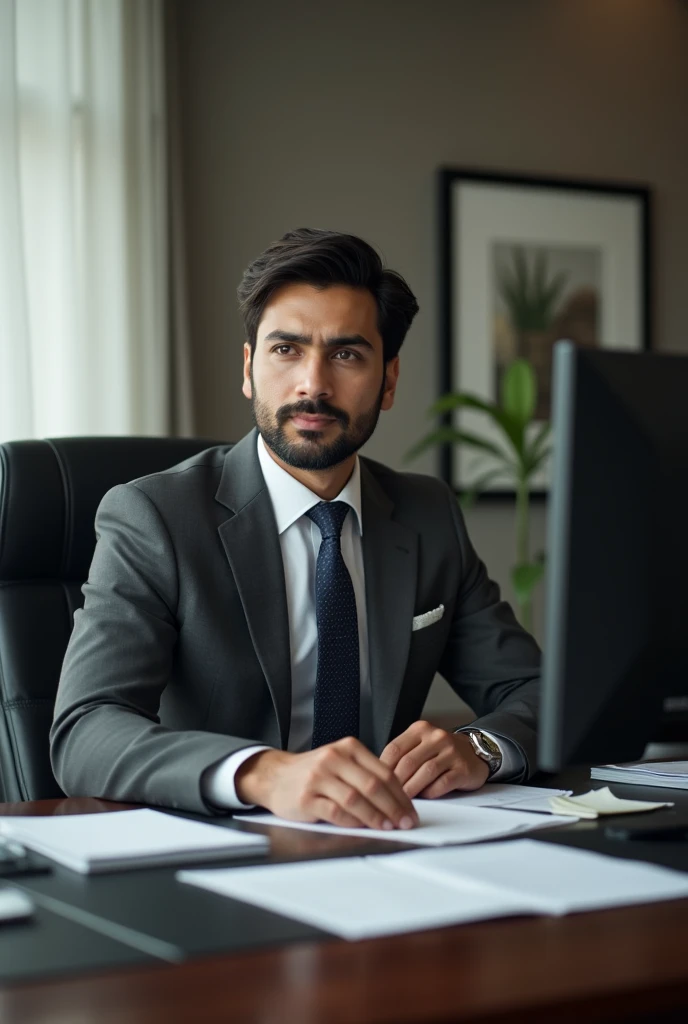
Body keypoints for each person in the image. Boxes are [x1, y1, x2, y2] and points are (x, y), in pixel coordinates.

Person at [50, 228, 540, 831]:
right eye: (286, 350)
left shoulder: (427, 514)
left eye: (346, 354)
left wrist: (483, 749)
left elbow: (540, 694)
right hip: (220, 856)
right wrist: (262, 771)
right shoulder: (155, 517)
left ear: (388, 380)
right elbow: (87, 729)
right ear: (250, 368)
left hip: (396, 844)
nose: (313, 384)